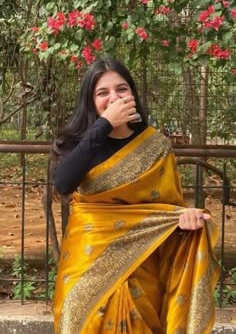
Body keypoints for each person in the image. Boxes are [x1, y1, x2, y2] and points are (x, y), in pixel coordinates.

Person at [52, 57, 219, 334]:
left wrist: (186, 217)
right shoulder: (78, 143)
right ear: (90, 100)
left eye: (122, 89)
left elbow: (168, 208)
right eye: (102, 93)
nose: (114, 98)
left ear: (133, 95)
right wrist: (103, 125)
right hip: (86, 263)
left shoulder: (155, 146)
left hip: (143, 265)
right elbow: (63, 183)